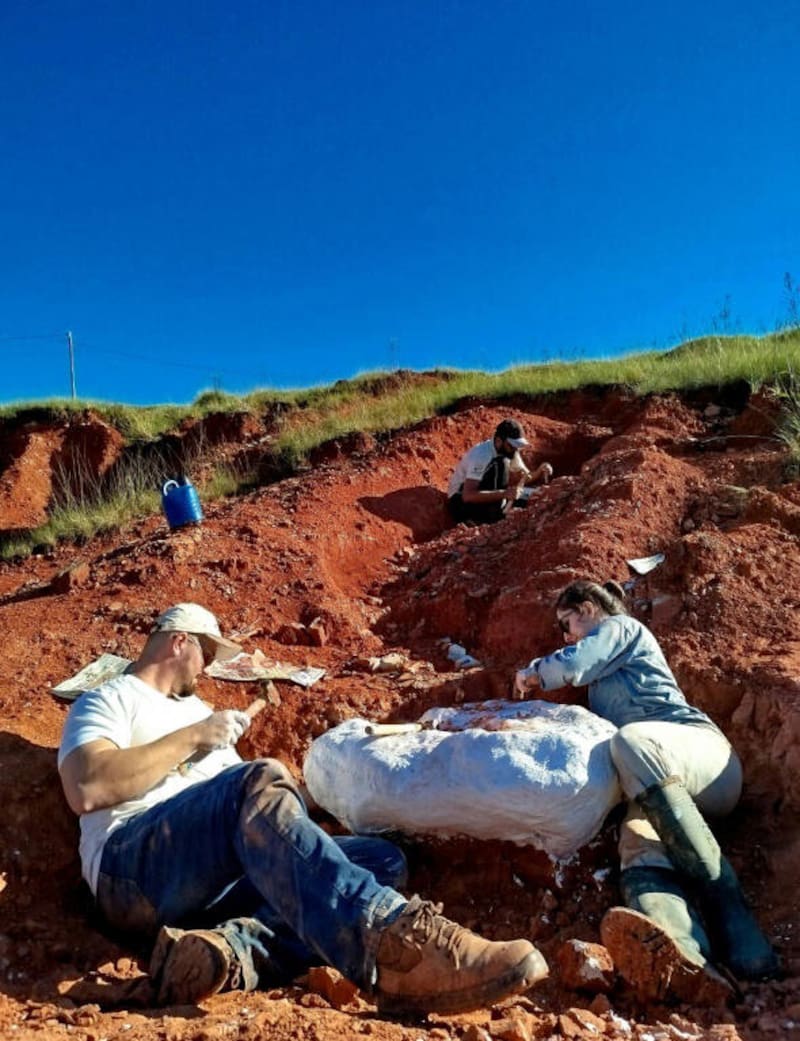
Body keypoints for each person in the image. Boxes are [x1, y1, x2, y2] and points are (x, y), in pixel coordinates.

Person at [58, 602, 548, 1015]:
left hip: (210, 887)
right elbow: (86, 787)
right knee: (255, 779)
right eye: (205, 653)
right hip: (133, 870)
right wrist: (194, 738)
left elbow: (259, 814)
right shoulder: (111, 699)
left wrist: (302, 805)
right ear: (179, 642)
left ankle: (231, 951)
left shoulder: (199, 711)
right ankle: (392, 947)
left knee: (379, 859)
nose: (207, 667)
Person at [513, 579, 778, 1003]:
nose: (566, 635)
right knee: (636, 843)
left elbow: (576, 662)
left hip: (704, 758)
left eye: (567, 624)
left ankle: (733, 915)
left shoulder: (620, 627)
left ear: (587, 608)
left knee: (631, 741)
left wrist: (533, 673)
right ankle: (688, 959)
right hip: (663, 784)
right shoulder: (607, 678)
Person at [447, 418, 553, 526]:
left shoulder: (509, 451)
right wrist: (505, 494)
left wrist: (540, 470)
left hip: (484, 496)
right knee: (500, 463)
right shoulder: (482, 455)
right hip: (460, 503)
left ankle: (498, 511)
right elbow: (468, 495)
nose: (514, 451)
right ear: (498, 440)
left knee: (529, 496)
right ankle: (490, 517)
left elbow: (525, 477)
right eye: (511, 446)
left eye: (516, 447)